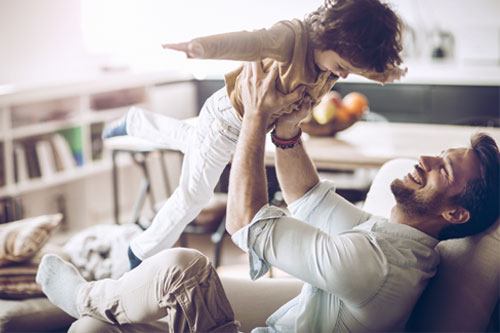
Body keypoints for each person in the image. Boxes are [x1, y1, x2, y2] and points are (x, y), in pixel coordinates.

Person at [36, 62, 499, 332]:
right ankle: (98, 304)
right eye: (440, 154)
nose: (426, 159)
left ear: (455, 212)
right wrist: (288, 128)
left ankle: (89, 294)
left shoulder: (376, 266)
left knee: (185, 268)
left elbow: (247, 223)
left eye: (445, 169)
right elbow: (309, 196)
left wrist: (256, 119)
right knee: (94, 329)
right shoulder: (397, 243)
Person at [102, 0, 407, 269]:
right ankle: (140, 251)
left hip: (243, 129)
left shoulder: (332, 58)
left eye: (349, 71)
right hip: (226, 122)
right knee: (194, 195)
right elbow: (250, 42)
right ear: (333, 38)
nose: (341, 75)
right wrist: (200, 47)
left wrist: (386, 73)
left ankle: (135, 121)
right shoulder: (292, 38)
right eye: (341, 66)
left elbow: (356, 64)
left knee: (192, 140)